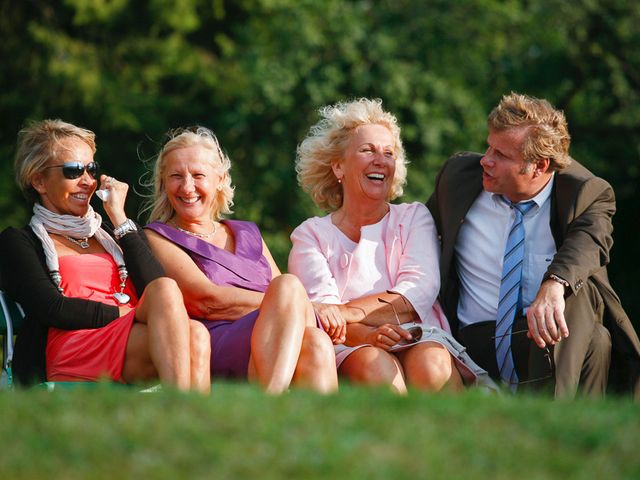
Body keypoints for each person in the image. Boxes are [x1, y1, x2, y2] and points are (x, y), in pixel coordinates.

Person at [427, 92, 640, 398]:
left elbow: (590, 242)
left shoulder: (586, 192)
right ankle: (561, 430)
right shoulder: (458, 177)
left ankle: (554, 416)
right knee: (597, 339)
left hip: (545, 340)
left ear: (538, 166)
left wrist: (554, 285)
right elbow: (416, 230)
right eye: (489, 146)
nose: (486, 159)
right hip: (475, 338)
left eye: (501, 154)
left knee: (581, 296)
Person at [288, 98, 495, 394]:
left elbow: (417, 292)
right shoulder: (310, 235)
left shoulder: (413, 217)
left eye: (389, 153)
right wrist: (368, 334)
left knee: (432, 365)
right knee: (375, 366)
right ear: (338, 166)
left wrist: (344, 312)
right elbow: (327, 318)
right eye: (367, 150)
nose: (380, 160)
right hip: (350, 342)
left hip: (418, 333)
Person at [0, 119, 210, 392]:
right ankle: (189, 420)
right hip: (74, 345)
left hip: (129, 334)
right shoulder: (18, 242)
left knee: (196, 334)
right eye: (73, 171)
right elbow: (52, 308)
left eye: (91, 169)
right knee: (182, 320)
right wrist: (126, 314)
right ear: (39, 180)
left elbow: (155, 287)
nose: (87, 181)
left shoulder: (113, 233)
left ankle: (187, 421)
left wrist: (120, 218)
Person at [143, 126, 338, 395]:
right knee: (289, 288)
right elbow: (206, 301)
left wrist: (288, 305)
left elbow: (289, 308)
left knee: (316, 342)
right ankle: (271, 400)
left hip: (275, 338)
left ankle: (318, 433)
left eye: (198, 175)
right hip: (217, 342)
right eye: (176, 176)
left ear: (220, 179)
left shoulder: (247, 231)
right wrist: (289, 304)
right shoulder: (158, 237)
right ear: (164, 183)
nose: (187, 187)